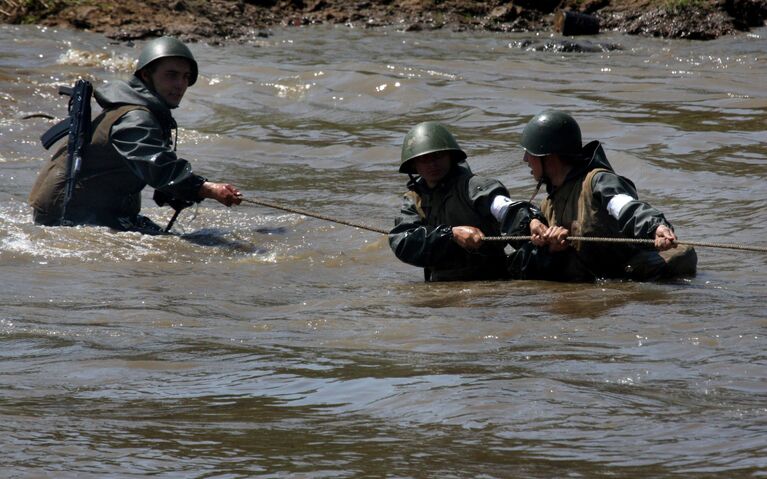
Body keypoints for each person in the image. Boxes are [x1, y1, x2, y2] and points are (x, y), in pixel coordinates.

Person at [29, 36, 241, 233]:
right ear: (146, 75)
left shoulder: (141, 111)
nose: (180, 85)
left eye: (186, 77)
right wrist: (206, 188)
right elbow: (157, 168)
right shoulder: (136, 117)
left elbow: (150, 171)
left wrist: (178, 192)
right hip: (70, 216)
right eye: (171, 75)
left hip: (90, 210)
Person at [518, 110, 697, 281]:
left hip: (633, 277)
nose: (526, 159)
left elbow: (625, 206)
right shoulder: (547, 206)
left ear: (549, 157)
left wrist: (655, 227)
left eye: (530, 153)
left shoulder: (597, 181)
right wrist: (551, 249)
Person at [389, 121, 544, 282]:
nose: (432, 164)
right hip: (441, 284)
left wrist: (531, 222)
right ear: (414, 165)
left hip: (491, 281)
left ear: (451, 156)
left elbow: (504, 208)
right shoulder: (415, 199)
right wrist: (451, 234)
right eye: (424, 159)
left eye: (438, 156)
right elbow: (402, 241)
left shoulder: (473, 186)